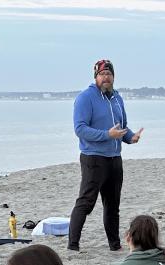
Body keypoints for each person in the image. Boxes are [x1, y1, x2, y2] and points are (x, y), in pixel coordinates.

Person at [68, 59, 144, 252]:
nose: (106, 78)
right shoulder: (86, 98)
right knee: (86, 203)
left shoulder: (117, 98)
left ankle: (114, 245)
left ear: (113, 77)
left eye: (109, 74)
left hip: (114, 159)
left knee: (112, 206)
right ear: (96, 77)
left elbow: (121, 127)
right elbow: (80, 129)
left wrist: (130, 137)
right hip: (93, 158)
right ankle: (73, 245)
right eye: (102, 74)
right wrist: (106, 135)